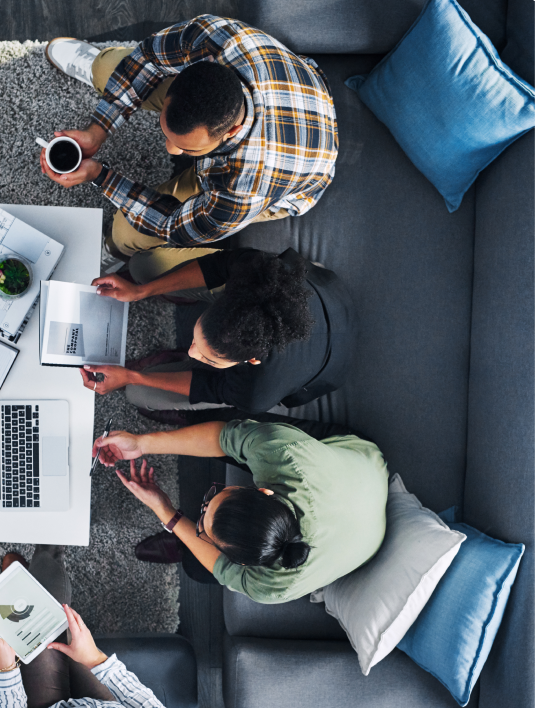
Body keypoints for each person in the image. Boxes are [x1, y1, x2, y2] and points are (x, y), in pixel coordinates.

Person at [41, 15, 338, 276]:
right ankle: (97, 67)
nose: (170, 149)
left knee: (128, 231)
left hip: (288, 173)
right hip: (284, 89)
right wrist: (97, 130)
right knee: (110, 68)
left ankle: (114, 251)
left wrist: (101, 176)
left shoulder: (242, 190)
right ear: (187, 71)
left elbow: (173, 226)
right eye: (166, 132)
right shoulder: (214, 38)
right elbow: (148, 59)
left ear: (231, 131)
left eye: (188, 149)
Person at [91, 418, 388, 604]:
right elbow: (225, 436)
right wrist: (141, 444)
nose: (202, 506)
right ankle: (185, 414)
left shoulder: (272, 588)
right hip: (361, 458)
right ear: (263, 490)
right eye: (210, 500)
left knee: (196, 567)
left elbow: (222, 569)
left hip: (369, 490)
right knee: (238, 427)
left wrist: (165, 511)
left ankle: (185, 545)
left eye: (203, 523)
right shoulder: (282, 455)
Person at [78, 247, 356, 419]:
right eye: (195, 339)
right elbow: (215, 266)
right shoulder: (258, 271)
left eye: (208, 358)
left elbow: (210, 386)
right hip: (320, 289)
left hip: (330, 355)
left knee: (138, 393)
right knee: (142, 267)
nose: (191, 352)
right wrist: (141, 291)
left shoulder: (256, 393)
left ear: (250, 360)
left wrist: (132, 377)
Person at [0, 546, 175, 708]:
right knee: (52, 619)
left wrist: (7, 668)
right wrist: (95, 659)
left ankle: (31, 579)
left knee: (41, 624)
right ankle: (34, 573)